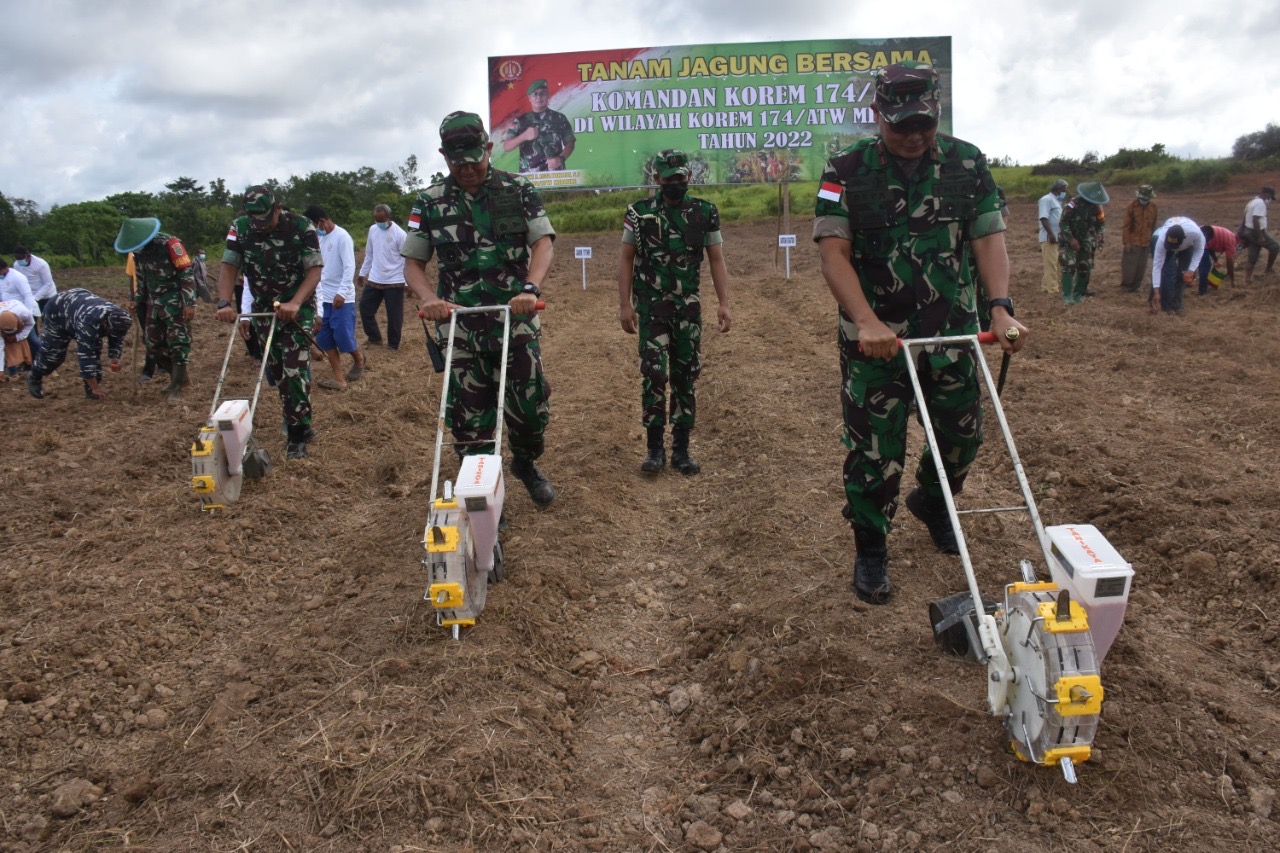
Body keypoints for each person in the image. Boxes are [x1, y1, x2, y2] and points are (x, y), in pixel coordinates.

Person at [813, 61, 1027, 605]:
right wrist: (864, 319)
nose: (912, 136)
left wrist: (999, 309)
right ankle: (871, 546)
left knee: (962, 439)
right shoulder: (845, 169)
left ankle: (934, 500)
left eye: (923, 125)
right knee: (876, 453)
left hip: (952, 332)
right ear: (876, 115)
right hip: (877, 340)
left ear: (936, 114)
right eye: (899, 125)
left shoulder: (967, 163)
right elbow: (834, 253)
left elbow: (987, 240)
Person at [403, 111, 557, 506]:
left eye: (474, 159)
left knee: (529, 411)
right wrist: (428, 298)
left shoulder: (517, 190)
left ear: (488, 149)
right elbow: (413, 265)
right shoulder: (430, 202)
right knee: (470, 423)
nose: (467, 168)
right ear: (444, 156)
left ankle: (524, 463)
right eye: (458, 162)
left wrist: (530, 287)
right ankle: (484, 497)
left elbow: (543, 243)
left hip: (514, 320)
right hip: (461, 326)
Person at [618, 149, 732, 475]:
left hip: (688, 310)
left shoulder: (704, 212)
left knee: (686, 376)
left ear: (689, 177)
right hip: (652, 310)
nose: (674, 184)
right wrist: (625, 305)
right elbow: (626, 259)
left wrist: (724, 304)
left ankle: (682, 448)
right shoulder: (638, 214)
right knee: (654, 374)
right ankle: (654, 449)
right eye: (668, 180)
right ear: (656, 180)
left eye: (680, 179)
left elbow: (717, 259)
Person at [215, 186, 323, 459]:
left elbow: (314, 271)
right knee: (277, 374)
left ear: (278, 208)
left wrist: (296, 303)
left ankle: (297, 436)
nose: (261, 227)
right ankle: (301, 419)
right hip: (264, 312)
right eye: (256, 222)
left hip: (299, 310)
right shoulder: (240, 227)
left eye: (266, 220)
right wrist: (225, 303)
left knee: (293, 370)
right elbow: (230, 266)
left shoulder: (301, 226)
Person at [113, 217, 197, 401]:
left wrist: (189, 303)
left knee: (178, 343)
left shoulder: (170, 244)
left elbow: (186, 273)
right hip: (154, 303)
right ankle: (180, 378)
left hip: (175, 302)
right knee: (153, 346)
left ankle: (176, 385)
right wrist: (137, 299)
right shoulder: (138, 253)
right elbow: (141, 277)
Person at [26, 288, 132, 401]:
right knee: (53, 355)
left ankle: (90, 390)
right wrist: (95, 388)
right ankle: (34, 376)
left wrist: (115, 357)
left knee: (96, 350)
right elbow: (86, 357)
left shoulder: (121, 318)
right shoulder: (89, 323)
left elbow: (116, 338)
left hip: (78, 306)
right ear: (106, 323)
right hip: (58, 312)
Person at [305, 206, 364, 391]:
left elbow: (349, 267)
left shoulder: (342, 237)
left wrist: (342, 292)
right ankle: (339, 379)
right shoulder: (317, 240)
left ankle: (359, 358)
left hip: (341, 297)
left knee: (343, 336)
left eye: (315, 226)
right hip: (322, 297)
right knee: (325, 338)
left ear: (321, 221)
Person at [357, 203, 408, 350]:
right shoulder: (373, 230)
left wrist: (406, 282)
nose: (379, 223)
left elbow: (406, 260)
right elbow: (369, 254)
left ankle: (393, 344)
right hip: (375, 278)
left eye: (381, 220)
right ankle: (374, 338)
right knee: (365, 307)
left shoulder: (400, 234)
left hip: (395, 280)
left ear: (389, 217)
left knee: (394, 315)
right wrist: (362, 273)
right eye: (376, 220)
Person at [500, 79, 576, 173]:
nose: (538, 97)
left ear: (548, 95)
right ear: (529, 98)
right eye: (535, 94)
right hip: (530, 177)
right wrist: (524, 136)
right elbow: (507, 146)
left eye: (542, 93)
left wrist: (560, 159)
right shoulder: (520, 121)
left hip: (555, 175)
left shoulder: (559, 118)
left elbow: (570, 143)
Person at [1058, 181, 1109, 304]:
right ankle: (1067, 296)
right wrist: (1071, 239)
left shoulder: (1097, 207)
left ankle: (1078, 294)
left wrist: (1100, 233)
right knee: (1069, 265)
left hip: (1087, 240)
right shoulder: (1072, 205)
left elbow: (1101, 223)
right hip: (1070, 239)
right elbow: (1063, 223)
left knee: (1085, 267)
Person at [1150, 217, 1204, 315]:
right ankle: (1161, 303)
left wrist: (1191, 270)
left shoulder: (1195, 233)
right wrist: (1156, 293)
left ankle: (1176, 305)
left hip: (1187, 247)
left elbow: (1200, 249)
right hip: (1170, 243)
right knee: (1169, 274)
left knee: (1183, 275)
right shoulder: (1162, 240)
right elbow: (1157, 267)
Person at [0, 257, 40, 362]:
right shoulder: (2, 278)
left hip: (22, 313)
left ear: (3, 268)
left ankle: (45, 358)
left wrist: (28, 314)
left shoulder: (17, 277)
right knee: (7, 340)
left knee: (32, 339)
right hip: (6, 313)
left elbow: (28, 296)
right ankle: (21, 363)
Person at [1120, 185, 1158, 293]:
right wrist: (1126, 242)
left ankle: (1136, 286)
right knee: (1129, 265)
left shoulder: (1154, 207)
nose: (1144, 200)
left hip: (1146, 241)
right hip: (1133, 241)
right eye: (1143, 198)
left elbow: (1153, 225)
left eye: (1147, 199)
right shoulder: (1132, 206)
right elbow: (1126, 225)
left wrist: (1152, 241)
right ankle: (1126, 286)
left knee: (1141, 266)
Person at [1242, 186, 1277, 286]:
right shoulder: (1260, 203)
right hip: (1256, 231)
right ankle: (1268, 269)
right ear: (1267, 194)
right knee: (1275, 247)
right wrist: (1260, 236)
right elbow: (1255, 219)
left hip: (1249, 231)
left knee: (1253, 255)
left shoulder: (1252, 201)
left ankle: (1247, 279)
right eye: (1270, 197)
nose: (1270, 200)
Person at [12, 246, 56, 326]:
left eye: (21, 258)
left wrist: (35, 298)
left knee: (48, 320)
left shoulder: (41, 264)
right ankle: (35, 337)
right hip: (30, 296)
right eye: (17, 258)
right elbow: (18, 281)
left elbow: (47, 283)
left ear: (27, 256)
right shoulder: (16, 265)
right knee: (30, 320)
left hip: (47, 296)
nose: (19, 260)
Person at [1037, 179, 1067, 294]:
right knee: (1052, 264)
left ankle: (1046, 287)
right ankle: (1052, 289)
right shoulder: (1047, 200)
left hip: (1055, 237)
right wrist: (1051, 234)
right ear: (1058, 189)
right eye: (1064, 190)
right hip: (1049, 238)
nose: (1065, 192)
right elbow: (1043, 218)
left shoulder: (1056, 201)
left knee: (1051, 263)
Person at [1198, 223, 1238, 294]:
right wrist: (1232, 280)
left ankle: (1195, 282)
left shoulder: (1230, 235)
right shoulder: (1231, 242)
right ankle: (1202, 291)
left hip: (1201, 235)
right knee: (1205, 266)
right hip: (1201, 237)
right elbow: (1229, 263)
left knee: (1202, 264)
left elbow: (1210, 246)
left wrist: (1216, 260)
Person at [1, 300, 36, 378]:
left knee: (34, 341)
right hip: (4, 324)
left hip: (24, 324)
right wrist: (0, 370)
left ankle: (43, 362)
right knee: (7, 346)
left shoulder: (24, 313)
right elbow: (0, 347)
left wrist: (18, 337)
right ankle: (13, 373)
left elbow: (31, 324)